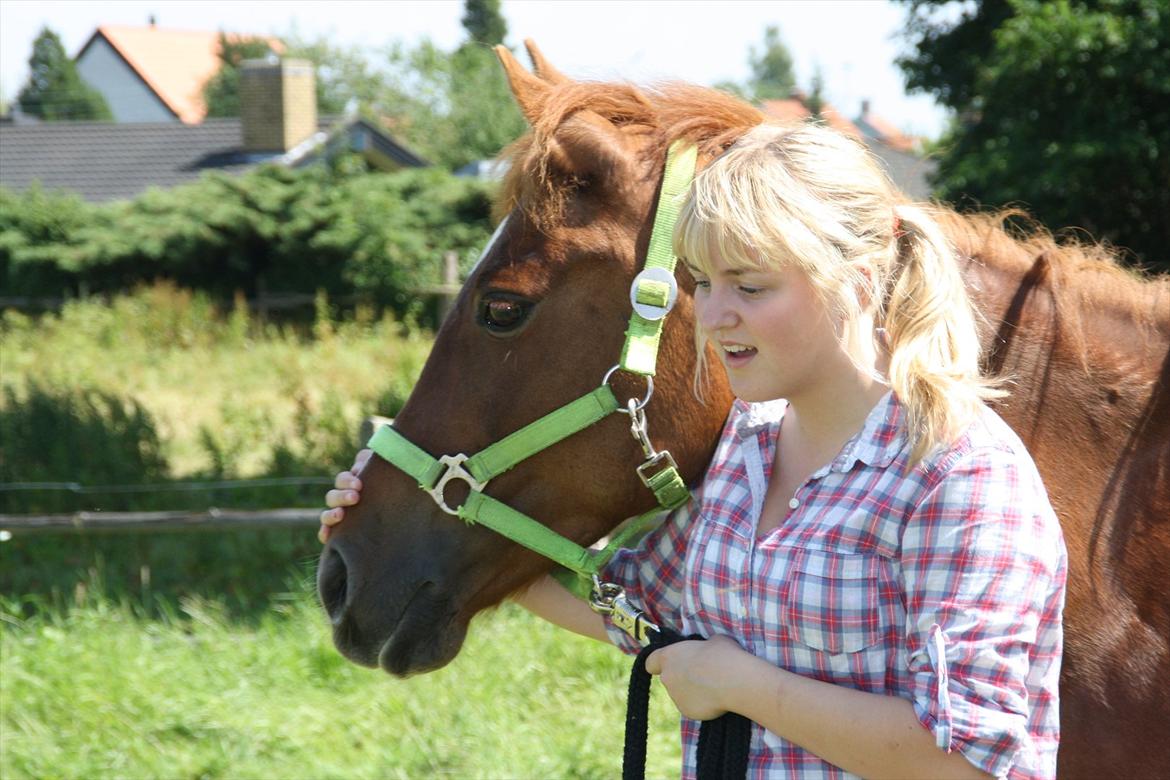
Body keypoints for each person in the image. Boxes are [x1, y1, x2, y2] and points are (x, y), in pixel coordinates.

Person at [320, 123, 1066, 780]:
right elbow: (639, 613)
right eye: (701, 283)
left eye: (750, 285)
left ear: (857, 283)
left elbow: (968, 760)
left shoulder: (958, 475)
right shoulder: (746, 449)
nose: (714, 316)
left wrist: (743, 686)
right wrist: (428, 516)